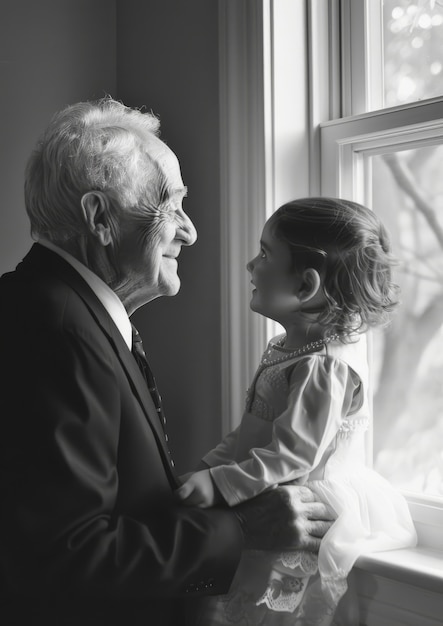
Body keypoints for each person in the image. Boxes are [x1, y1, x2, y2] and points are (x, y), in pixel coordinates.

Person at [0, 98, 334, 626]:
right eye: (171, 204)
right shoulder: (55, 332)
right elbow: (67, 557)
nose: (190, 230)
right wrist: (244, 530)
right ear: (100, 217)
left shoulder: (62, 310)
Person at [177, 197, 417, 625]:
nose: (252, 265)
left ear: (306, 287)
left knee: (256, 613)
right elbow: (250, 433)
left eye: (265, 254)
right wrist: (208, 468)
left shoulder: (323, 365)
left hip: (291, 506)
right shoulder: (291, 349)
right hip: (257, 490)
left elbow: (292, 457)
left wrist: (219, 485)